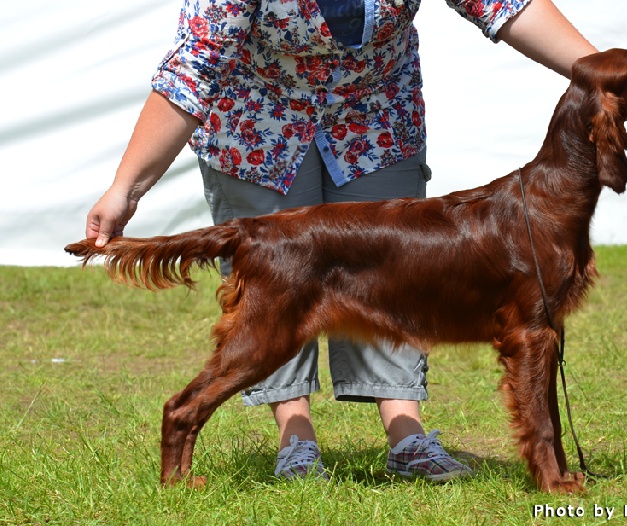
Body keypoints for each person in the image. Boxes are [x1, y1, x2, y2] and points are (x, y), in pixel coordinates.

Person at [84, 0, 597, 481]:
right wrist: (126, 187)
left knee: (404, 277)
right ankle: (295, 438)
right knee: (276, 304)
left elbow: (506, 4)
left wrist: (603, 73)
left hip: (373, 122)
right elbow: (192, 66)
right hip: (258, 124)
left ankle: (407, 434)